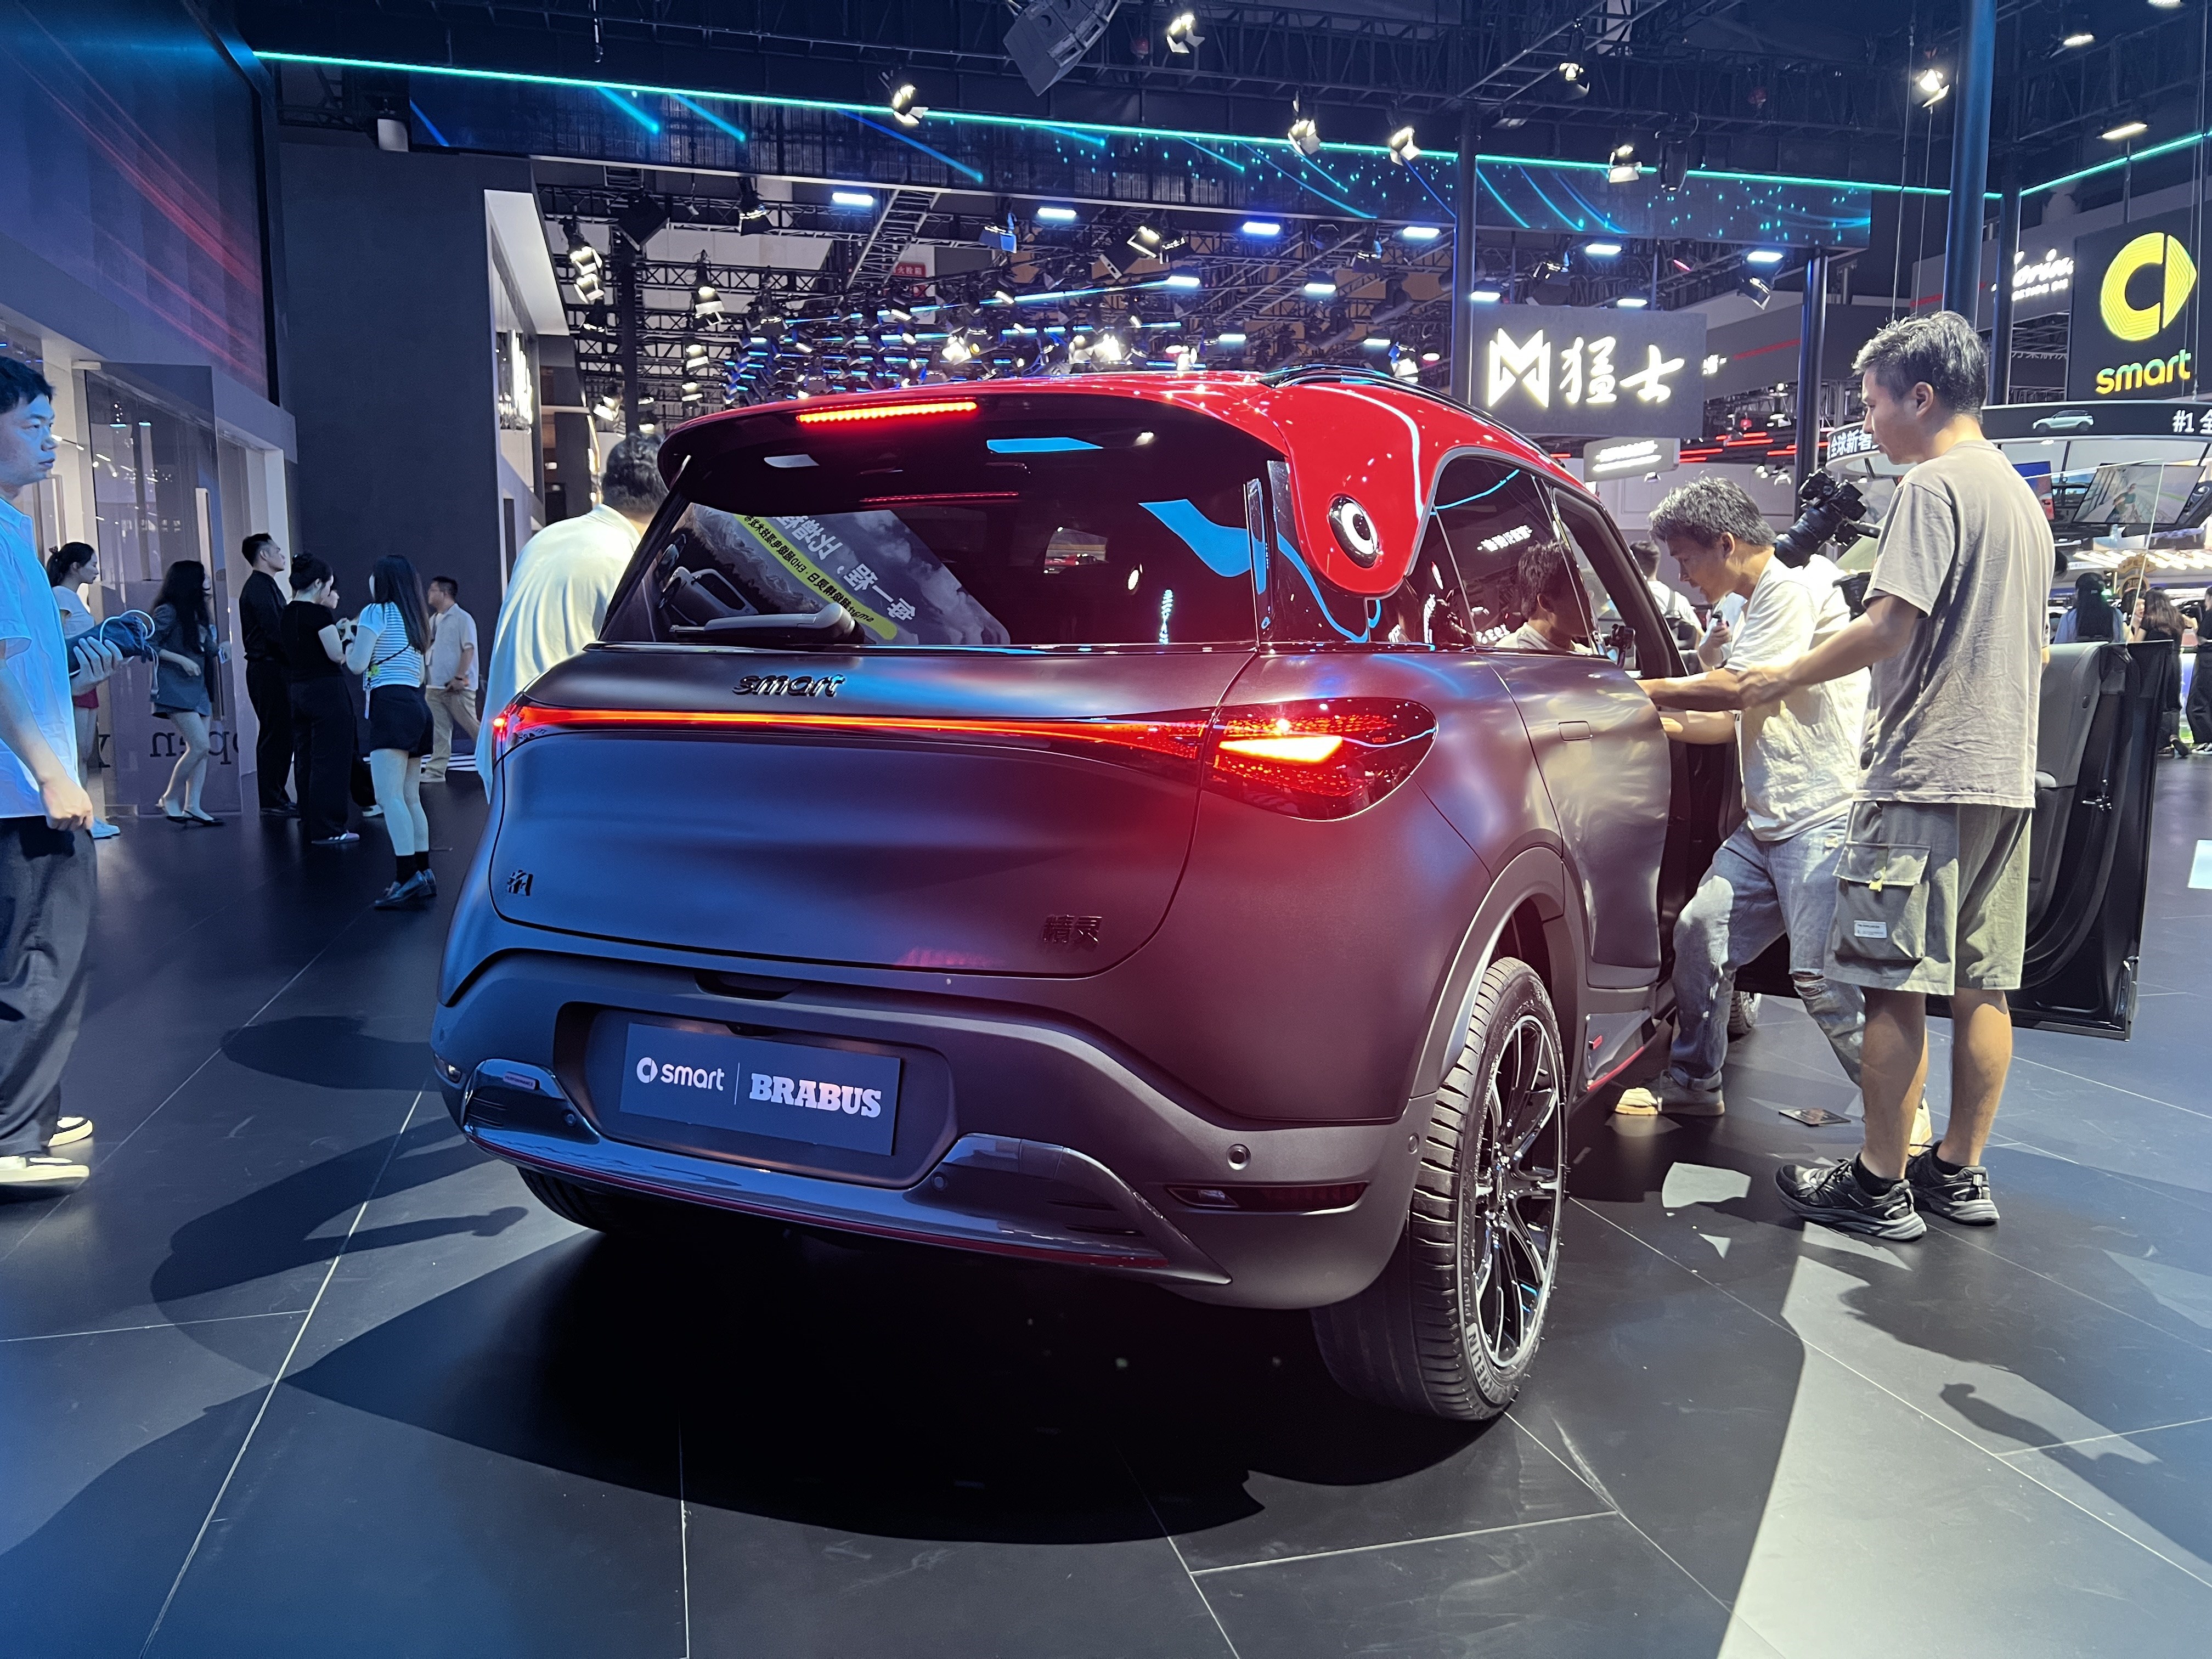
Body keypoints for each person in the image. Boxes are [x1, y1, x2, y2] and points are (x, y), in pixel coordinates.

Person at [1735, 311, 2050, 1240]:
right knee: (1983, 985)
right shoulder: (2019, 498)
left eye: (1872, 404)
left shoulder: (1933, 486)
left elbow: (1885, 626)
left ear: (1921, 396)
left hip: (1922, 774)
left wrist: (1782, 674)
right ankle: (1957, 1170)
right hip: (2003, 776)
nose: (1868, 423)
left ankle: (1876, 1185)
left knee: (1891, 983)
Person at [1622, 476, 1869, 1115]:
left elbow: (1739, 689)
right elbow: (1729, 719)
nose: (1683, 576)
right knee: (1700, 933)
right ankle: (1694, 1082)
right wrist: (1647, 719)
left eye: (1686, 559)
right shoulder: (1752, 602)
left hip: (1819, 815)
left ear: (1725, 544)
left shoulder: (1793, 585)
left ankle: (1898, 1108)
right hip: (1766, 822)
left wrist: (1635, 690)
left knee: (1820, 983)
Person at [0, 358, 123, 1195]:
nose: (50, 441)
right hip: (23, 794)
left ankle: (31, 1111)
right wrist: (50, 774)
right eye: (33, 425)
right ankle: (12, 1132)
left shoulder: (13, 529)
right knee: (41, 955)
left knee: (32, 952)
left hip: (24, 787)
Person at [476, 436, 665, 792]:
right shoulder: (629, 561)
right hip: (562, 758)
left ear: (607, 486)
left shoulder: (546, 540)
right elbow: (650, 676)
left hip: (506, 749)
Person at [346, 554, 435, 908]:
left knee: (388, 797)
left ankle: (406, 876)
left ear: (382, 581)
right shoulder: (417, 619)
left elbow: (357, 664)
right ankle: (424, 872)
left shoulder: (375, 612)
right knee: (410, 797)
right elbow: (421, 674)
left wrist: (349, 641)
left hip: (391, 706)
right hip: (416, 706)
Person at [282, 555, 357, 847]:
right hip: (326, 690)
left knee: (305, 758)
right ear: (318, 584)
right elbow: (336, 655)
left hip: (298, 689)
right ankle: (329, 827)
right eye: (329, 584)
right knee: (331, 760)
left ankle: (309, 818)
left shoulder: (287, 612)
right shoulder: (319, 615)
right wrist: (349, 639)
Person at [47, 541, 117, 839]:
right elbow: (55, 637)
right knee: (77, 753)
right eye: (93, 564)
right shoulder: (61, 595)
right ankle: (81, 818)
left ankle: (86, 815)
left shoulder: (74, 598)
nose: (96, 570)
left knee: (84, 753)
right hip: (73, 678)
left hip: (83, 678)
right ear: (76, 567)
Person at [149, 559, 223, 827]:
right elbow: (149, 645)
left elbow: (207, 648)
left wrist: (220, 648)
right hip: (175, 687)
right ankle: (170, 797)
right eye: (203, 577)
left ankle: (194, 805)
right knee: (200, 745)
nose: (207, 581)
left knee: (201, 750)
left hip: (199, 687)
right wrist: (181, 660)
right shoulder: (168, 611)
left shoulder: (198, 612)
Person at [237, 531, 295, 817]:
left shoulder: (264, 586)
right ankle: (273, 800)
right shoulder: (259, 588)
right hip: (269, 669)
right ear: (263, 554)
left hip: (271, 668)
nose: (282, 555)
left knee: (279, 732)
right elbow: (275, 632)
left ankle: (276, 797)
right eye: (277, 550)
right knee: (276, 732)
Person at [420, 575, 479, 783]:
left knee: (473, 728)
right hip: (434, 686)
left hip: (457, 687)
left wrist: (459, 677)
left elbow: (469, 649)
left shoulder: (463, 618)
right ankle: (436, 771)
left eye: (432, 590)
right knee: (439, 731)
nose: (429, 593)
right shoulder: (433, 620)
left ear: (444, 593)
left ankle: (496, 762)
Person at [1499, 539, 1594, 653]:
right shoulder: (1514, 655)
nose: (1590, 602)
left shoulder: (1587, 654)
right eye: (1580, 595)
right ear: (1546, 603)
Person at [2131, 587, 2190, 758]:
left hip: (2155, 664)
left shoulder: (2149, 620)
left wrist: (2136, 626)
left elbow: (2136, 644)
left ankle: (2161, 742)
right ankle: (2173, 735)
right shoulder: (2178, 619)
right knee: (2173, 702)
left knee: (2158, 701)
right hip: (2175, 661)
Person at [1632, 537, 1703, 647]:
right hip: (1668, 657)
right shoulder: (1678, 600)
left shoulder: (1628, 596)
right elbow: (1700, 636)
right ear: (1657, 564)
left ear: (1632, 564)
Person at [2052, 571, 2123, 644]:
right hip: (2108, 651)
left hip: (2079, 651)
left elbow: (2059, 645)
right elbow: (2120, 641)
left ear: (2078, 592)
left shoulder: (2069, 617)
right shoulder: (2116, 614)